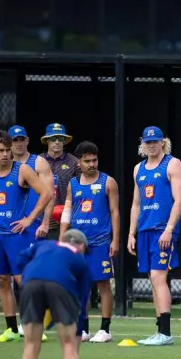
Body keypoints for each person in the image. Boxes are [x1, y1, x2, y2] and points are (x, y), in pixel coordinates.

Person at [0, 130, 52, 343]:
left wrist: (30, 219)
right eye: (1, 150)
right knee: (2, 280)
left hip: (18, 234)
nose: (6, 154)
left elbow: (47, 193)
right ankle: (11, 330)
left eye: (8, 150)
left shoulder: (23, 170)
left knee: (22, 280)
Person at [17, 230, 93, 359]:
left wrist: (29, 276)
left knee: (31, 346)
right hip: (62, 285)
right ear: (82, 246)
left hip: (30, 281)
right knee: (68, 347)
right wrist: (78, 331)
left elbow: (20, 258)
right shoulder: (81, 261)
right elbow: (83, 304)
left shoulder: (43, 244)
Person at [127, 126, 181, 346]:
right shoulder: (138, 169)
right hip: (144, 229)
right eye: (148, 142)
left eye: (155, 141)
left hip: (163, 230)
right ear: (143, 143)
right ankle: (159, 328)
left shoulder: (172, 164)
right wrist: (131, 233)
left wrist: (169, 229)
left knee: (158, 277)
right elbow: (136, 203)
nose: (151, 145)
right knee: (153, 280)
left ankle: (165, 332)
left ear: (163, 142)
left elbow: (180, 200)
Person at [60, 141, 120, 343]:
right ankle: (83, 329)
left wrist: (115, 240)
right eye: (87, 161)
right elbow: (67, 212)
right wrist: (62, 240)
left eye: (94, 160)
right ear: (79, 162)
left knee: (103, 284)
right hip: (77, 244)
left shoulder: (108, 182)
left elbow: (115, 212)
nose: (92, 164)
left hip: (101, 241)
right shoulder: (73, 184)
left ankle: (105, 329)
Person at [9, 125, 55, 247]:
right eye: (15, 140)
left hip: (33, 224)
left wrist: (45, 224)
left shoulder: (39, 162)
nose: (19, 143)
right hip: (9, 224)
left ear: (27, 141)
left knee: (32, 264)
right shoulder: (4, 164)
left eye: (22, 139)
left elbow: (50, 194)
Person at [39, 123, 80, 239]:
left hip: (68, 219)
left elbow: (81, 190)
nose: (57, 142)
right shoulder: (38, 160)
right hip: (42, 220)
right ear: (47, 140)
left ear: (64, 141)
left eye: (60, 138)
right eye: (53, 138)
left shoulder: (74, 162)